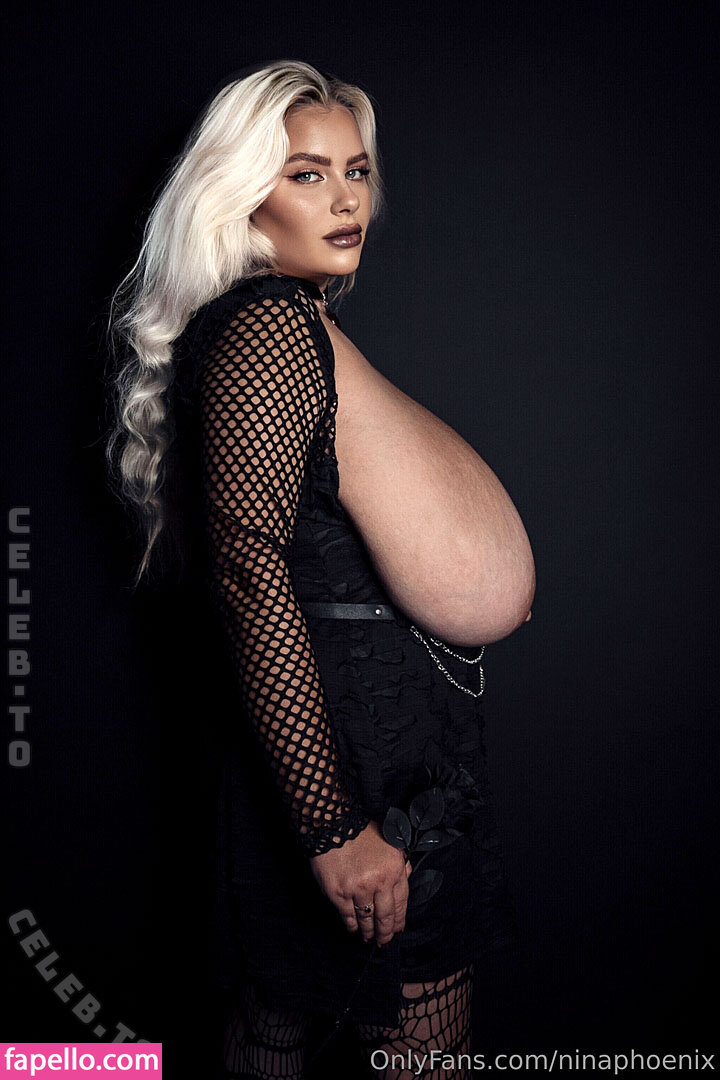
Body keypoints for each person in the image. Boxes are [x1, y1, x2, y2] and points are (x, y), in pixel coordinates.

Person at [105, 59, 535, 1080]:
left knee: (280, 1030)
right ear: (241, 191)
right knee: (407, 1045)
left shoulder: (288, 327)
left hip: (366, 751)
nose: (347, 200)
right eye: (307, 174)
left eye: (357, 171)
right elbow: (248, 568)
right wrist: (334, 828)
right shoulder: (267, 326)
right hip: (345, 768)